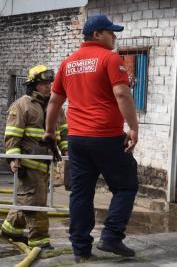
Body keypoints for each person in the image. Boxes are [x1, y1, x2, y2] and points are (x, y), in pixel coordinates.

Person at [44, 15, 140, 262]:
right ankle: (111, 237)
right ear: (97, 34)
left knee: (81, 192)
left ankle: (80, 249)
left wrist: (50, 132)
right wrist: (133, 127)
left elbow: (55, 101)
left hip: (77, 139)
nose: (114, 37)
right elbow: (122, 94)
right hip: (105, 136)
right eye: (111, 32)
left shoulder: (68, 63)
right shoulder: (110, 58)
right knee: (126, 185)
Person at [1, 65, 68, 250]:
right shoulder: (22, 105)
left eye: (49, 83)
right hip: (28, 164)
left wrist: (68, 151)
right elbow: (12, 135)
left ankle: (10, 229)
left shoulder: (55, 105)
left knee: (28, 199)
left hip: (46, 164)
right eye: (43, 83)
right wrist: (14, 159)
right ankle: (40, 240)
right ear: (33, 85)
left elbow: (62, 130)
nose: (48, 86)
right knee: (36, 203)